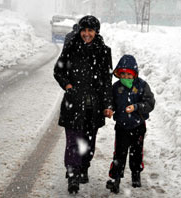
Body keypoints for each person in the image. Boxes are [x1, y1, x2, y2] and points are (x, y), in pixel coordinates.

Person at [53, 15, 113, 194]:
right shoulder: (71, 47)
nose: (86, 34)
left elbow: (106, 81)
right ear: (79, 31)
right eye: (84, 30)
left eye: (90, 30)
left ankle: (84, 167)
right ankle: (72, 175)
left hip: (93, 106)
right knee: (73, 141)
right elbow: (58, 70)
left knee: (88, 142)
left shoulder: (103, 51)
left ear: (96, 32)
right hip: (73, 103)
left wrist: (108, 104)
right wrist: (68, 85)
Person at [106, 55, 155, 194]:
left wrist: (137, 107)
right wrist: (109, 108)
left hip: (138, 126)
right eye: (123, 74)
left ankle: (136, 174)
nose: (126, 77)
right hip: (122, 126)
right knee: (119, 154)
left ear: (134, 74)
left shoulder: (142, 86)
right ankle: (116, 179)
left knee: (136, 152)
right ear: (119, 74)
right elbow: (111, 101)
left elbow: (150, 103)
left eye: (129, 74)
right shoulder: (116, 88)